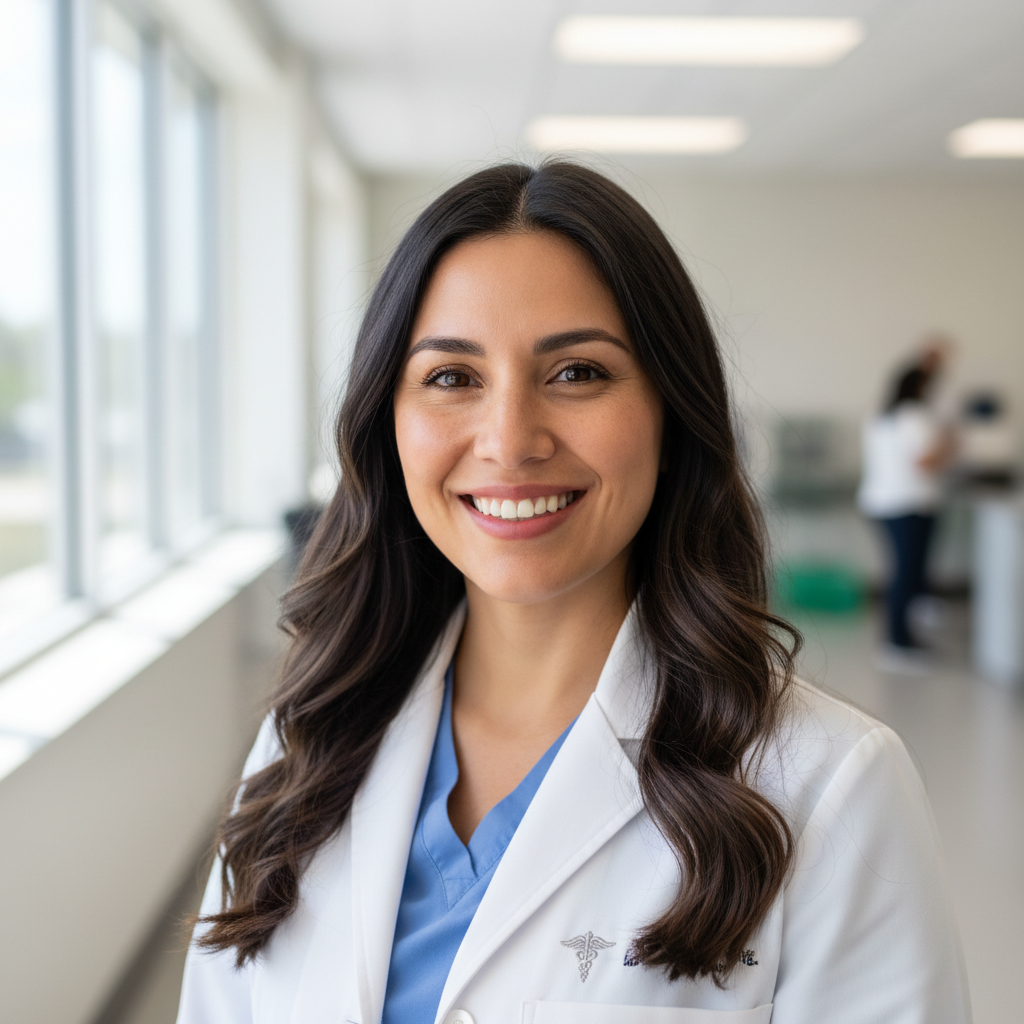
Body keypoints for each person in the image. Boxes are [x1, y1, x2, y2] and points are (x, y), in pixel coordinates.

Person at [177, 163, 969, 1024]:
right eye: (452, 377)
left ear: (672, 416)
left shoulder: (828, 787)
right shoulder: (305, 749)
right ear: (387, 423)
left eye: (578, 373)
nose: (510, 441)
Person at [858, 359, 955, 660]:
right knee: (905, 572)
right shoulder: (915, 416)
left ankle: (905, 634)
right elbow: (925, 463)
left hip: (880, 503)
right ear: (921, 387)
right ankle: (897, 643)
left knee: (904, 571)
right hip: (909, 505)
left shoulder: (880, 417)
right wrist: (951, 443)